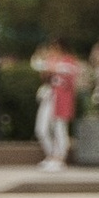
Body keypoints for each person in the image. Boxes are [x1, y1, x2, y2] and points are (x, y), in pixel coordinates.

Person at [31, 35, 79, 167]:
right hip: (49, 97)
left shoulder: (69, 62)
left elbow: (69, 77)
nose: (53, 50)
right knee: (41, 128)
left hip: (61, 99)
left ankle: (59, 158)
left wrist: (52, 67)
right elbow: (38, 67)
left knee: (59, 128)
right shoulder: (51, 60)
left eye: (55, 48)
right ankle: (51, 154)